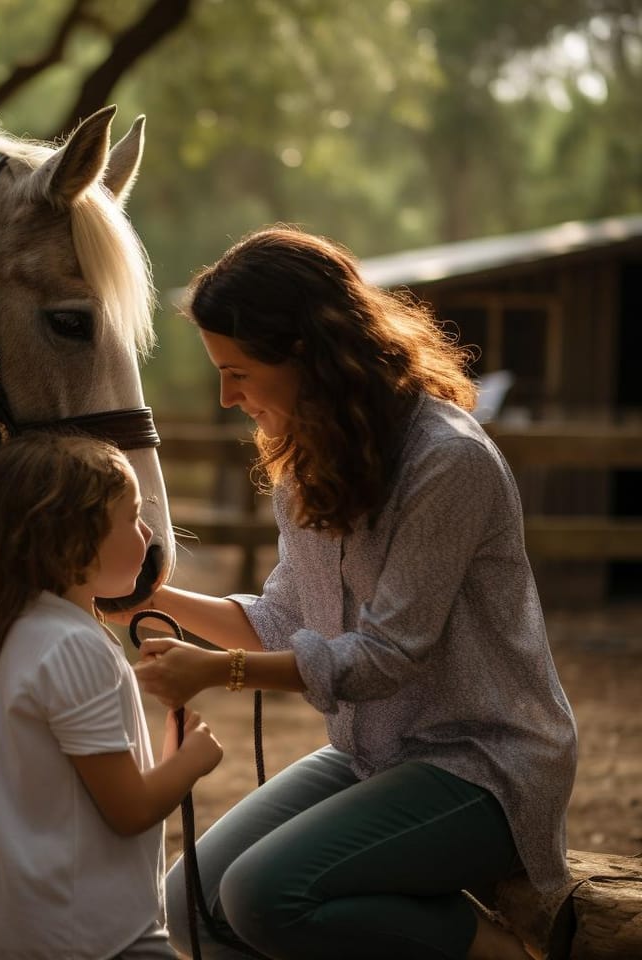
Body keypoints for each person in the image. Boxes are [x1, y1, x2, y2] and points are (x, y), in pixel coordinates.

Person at [131, 227, 577, 960]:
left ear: (306, 352)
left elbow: (383, 658)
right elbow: (283, 619)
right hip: (377, 752)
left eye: (238, 370)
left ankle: (495, 952)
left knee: (264, 895)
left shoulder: (448, 463)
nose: (226, 394)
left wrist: (217, 672)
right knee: (187, 907)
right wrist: (153, 597)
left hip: (485, 766)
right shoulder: (305, 461)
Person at [0, 432, 223, 960]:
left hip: (31, 933)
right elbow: (129, 810)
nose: (149, 531)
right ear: (69, 542)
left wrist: (168, 749)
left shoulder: (22, 630)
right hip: (95, 936)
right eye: (132, 518)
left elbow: (82, 784)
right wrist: (194, 762)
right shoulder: (73, 649)